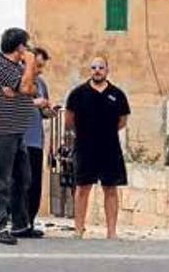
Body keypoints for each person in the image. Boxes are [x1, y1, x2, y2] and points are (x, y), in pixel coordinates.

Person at [0, 27, 38, 245]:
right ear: (20, 47)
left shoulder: (15, 68)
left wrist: (19, 88)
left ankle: (20, 224)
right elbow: (26, 86)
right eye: (27, 46)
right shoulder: (0, 65)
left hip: (15, 130)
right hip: (1, 130)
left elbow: (30, 89)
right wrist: (30, 65)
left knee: (23, 178)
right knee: (1, 179)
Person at [66, 56, 130, 240]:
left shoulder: (117, 95)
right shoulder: (78, 94)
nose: (97, 70)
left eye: (101, 67)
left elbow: (122, 120)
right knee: (82, 188)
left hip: (110, 148)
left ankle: (111, 232)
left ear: (107, 70)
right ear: (90, 70)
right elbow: (69, 119)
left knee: (110, 189)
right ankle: (78, 230)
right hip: (85, 147)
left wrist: (106, 133)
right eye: (93, 67)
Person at [22, 47, 58, 235]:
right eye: (37, 65)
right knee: (20, 183)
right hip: (20, 140)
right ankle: (16, 222)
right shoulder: (19, 80)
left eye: (42, 67)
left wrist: (48, 110)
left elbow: (43, 109)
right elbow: (11, 103)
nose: (39, 70)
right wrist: (35, 103)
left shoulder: (41, 84)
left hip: (36, 141)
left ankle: (29, 222)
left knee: (35, 184)